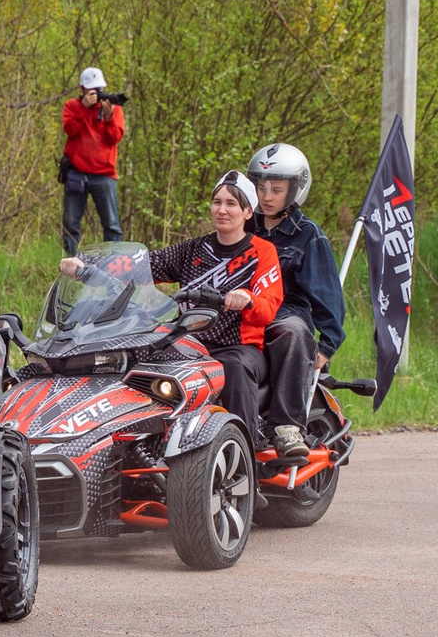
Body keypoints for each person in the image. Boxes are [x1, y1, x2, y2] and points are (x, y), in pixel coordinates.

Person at [56, 170, 287, 449]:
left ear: (248, 212)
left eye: (231, 204)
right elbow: (141, 264)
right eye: (217, 202)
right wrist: (85, 265)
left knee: (234, 369)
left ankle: (245, 456)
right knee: (136, 357)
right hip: (187, 341)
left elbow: (267, 308)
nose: (222, 210)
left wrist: (247, 298)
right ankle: (135, 445)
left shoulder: (262, 252)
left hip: (238, 348)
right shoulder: (194, 249)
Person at [242, 142, 347, 455]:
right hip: (244, 308)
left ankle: (287, 427)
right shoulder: (243, 226)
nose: (267, 196)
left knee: (291, 331)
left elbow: (329, 297)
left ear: (295, 190)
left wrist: (326, 346)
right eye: (261, 187)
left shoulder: (308, 235)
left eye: (277, 188)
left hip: (285, 312)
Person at [59, 67, 125, 254]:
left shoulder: (113, 108)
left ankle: (113, 264)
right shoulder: (72, 106)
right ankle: (70, 263)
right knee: (70, 223)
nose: (96, 94)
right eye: (91, 90)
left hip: (104, 175)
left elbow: (115, 138)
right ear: (82, 89)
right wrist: (84, 109)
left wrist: (109, 117)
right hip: (76, 173)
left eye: (98, 89)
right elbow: (70, 129)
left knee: (111, 224)